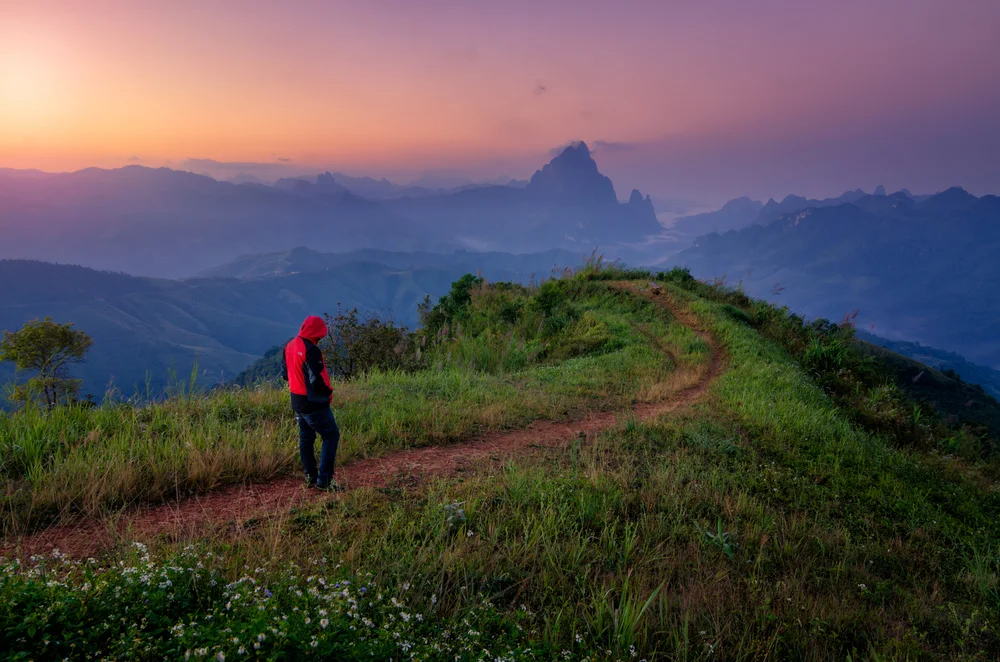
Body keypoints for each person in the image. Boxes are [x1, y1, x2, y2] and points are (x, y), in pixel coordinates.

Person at [281, 315, 342, 491]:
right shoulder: (311, 350)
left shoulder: (289, 345)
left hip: (297, 400)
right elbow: (316, 381)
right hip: (313, 402)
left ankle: (310, 476)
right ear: (317, 332)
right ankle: (325, 481)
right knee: (331, 436)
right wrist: (329, 392)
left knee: (306, 438)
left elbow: (285, 375)